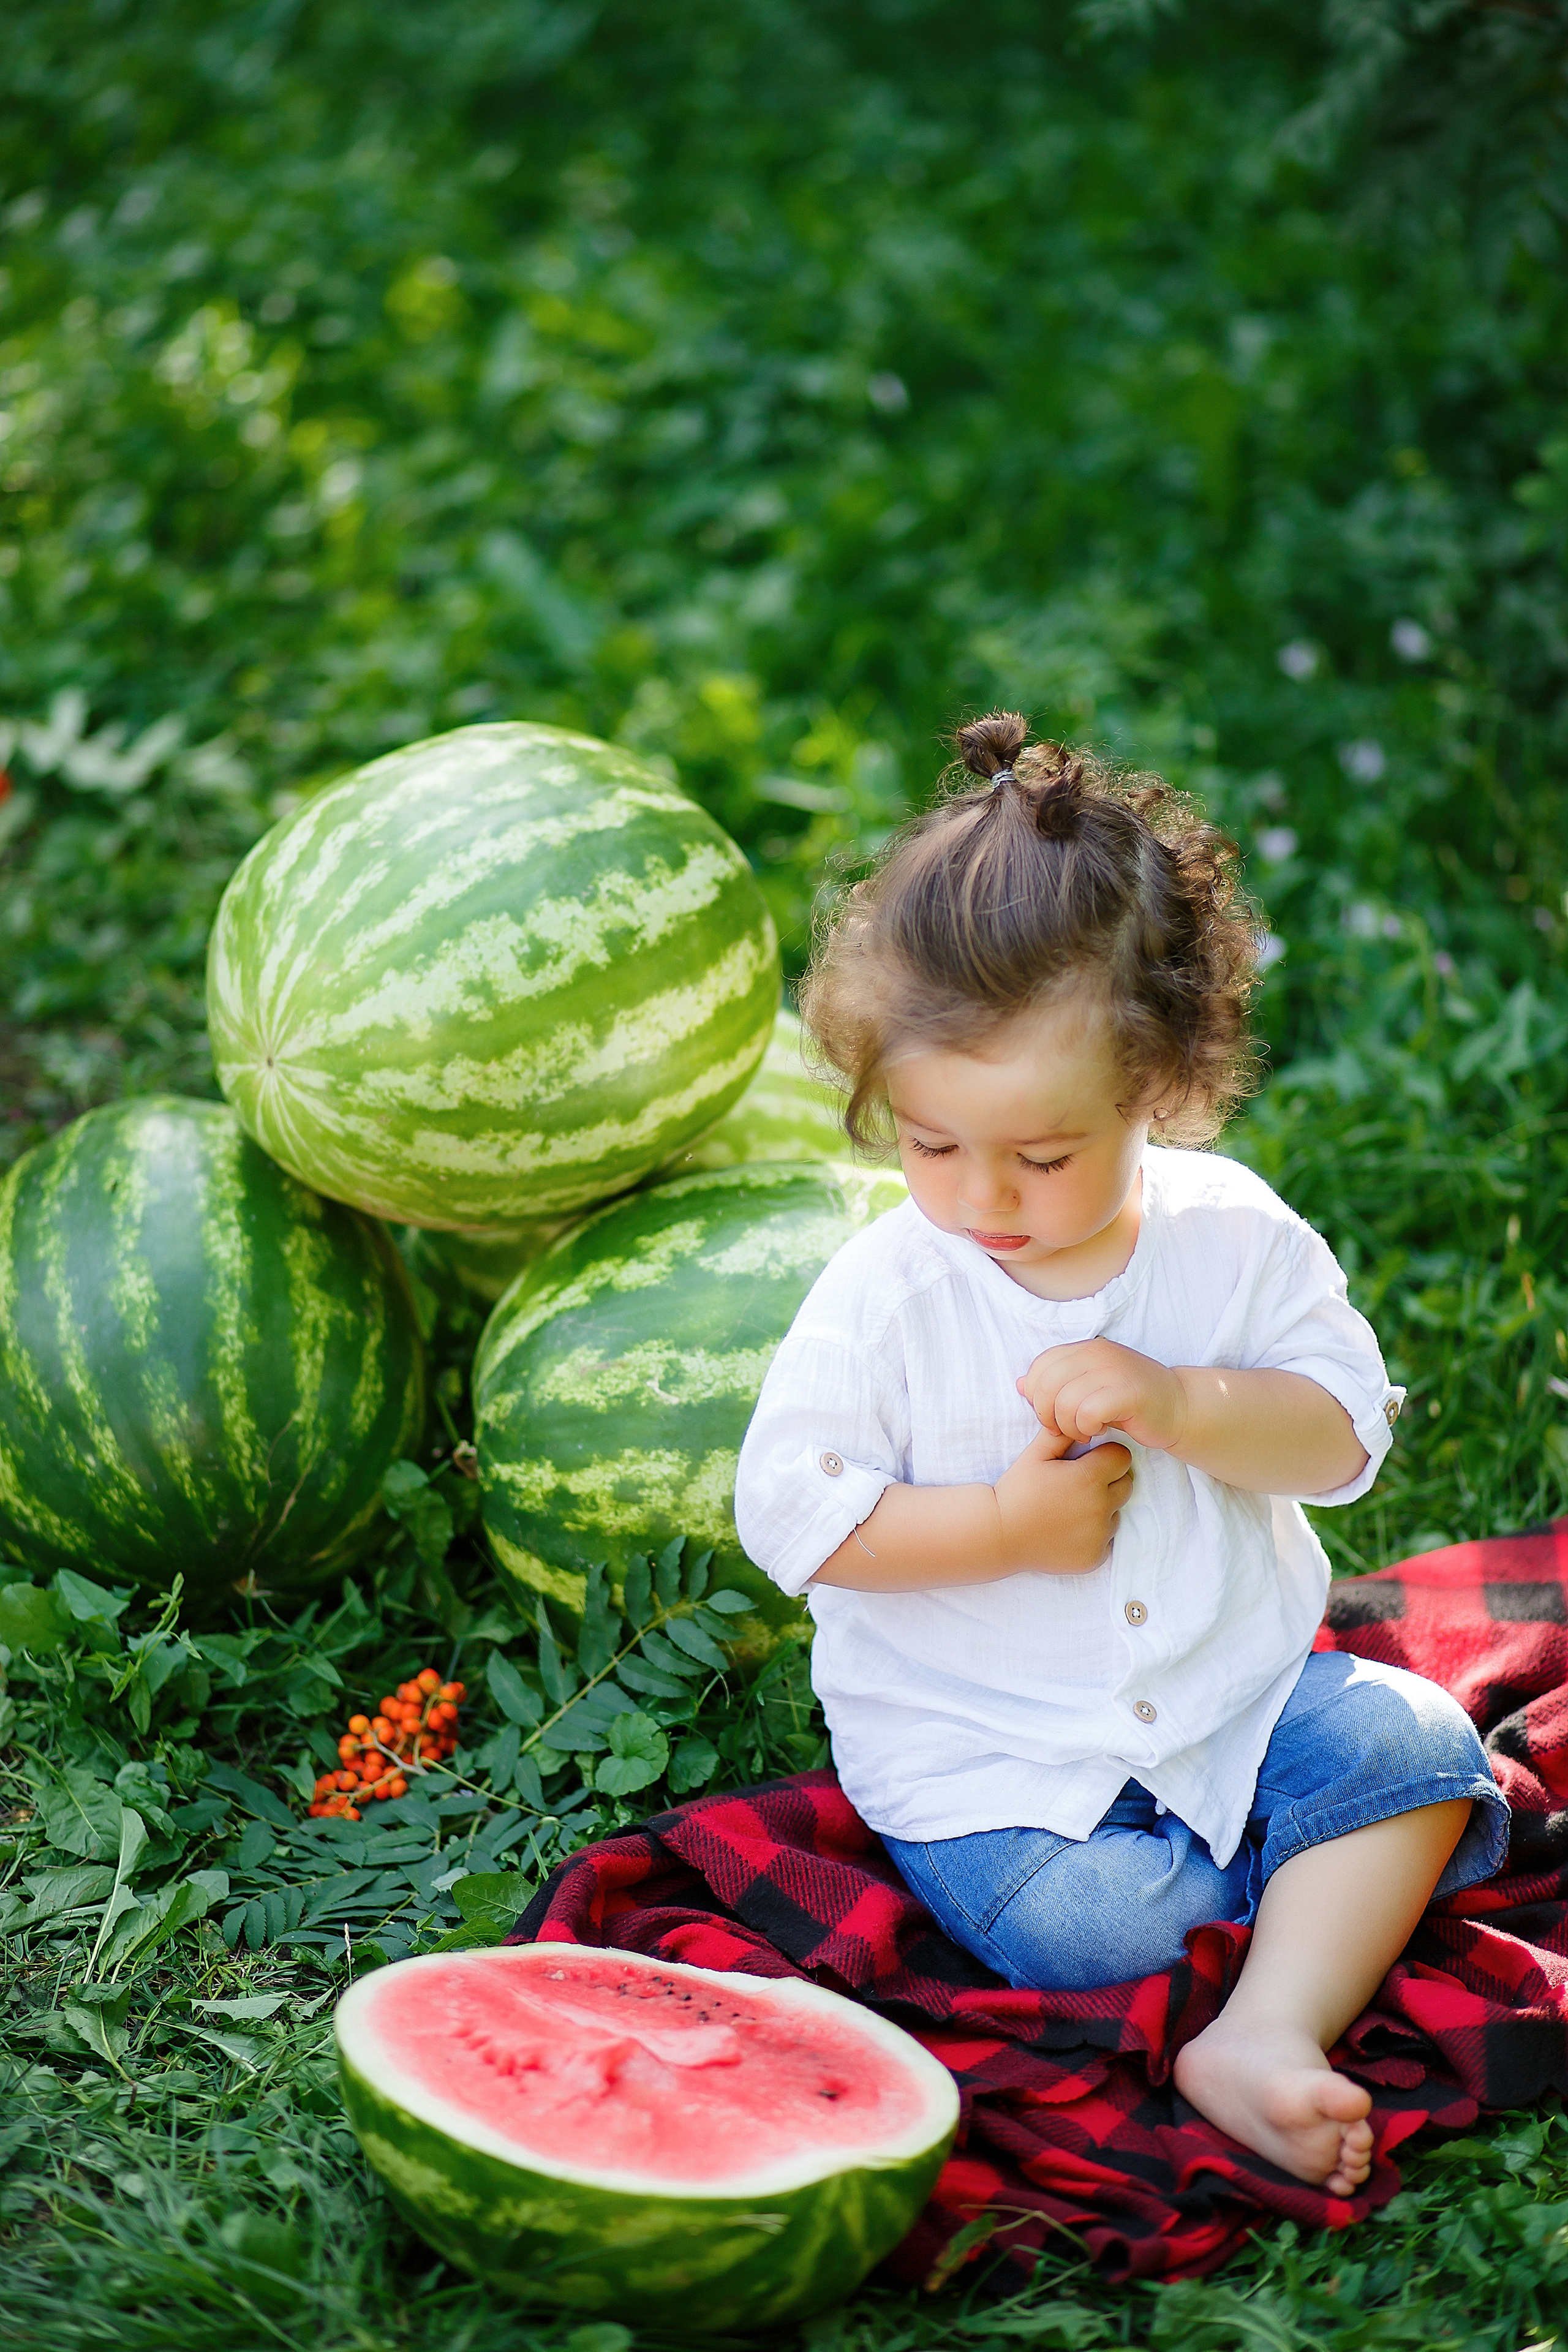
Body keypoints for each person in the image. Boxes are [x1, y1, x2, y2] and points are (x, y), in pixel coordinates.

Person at [734, 712, 1507, 2198]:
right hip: (990, 1762)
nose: (980, 1196)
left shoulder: (1231, 1239)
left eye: (1040, 1156)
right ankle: (1294, 1926)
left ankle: (1261, 2028)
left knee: (1414, 1746)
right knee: (1093, 1932)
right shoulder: (887, 1293)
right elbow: (795, 1519)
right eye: (929, 1143)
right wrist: (1003, 1533)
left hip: (1233, 1695)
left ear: (1156, 1088)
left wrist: (1181, 1402)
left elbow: (1340, 1437)